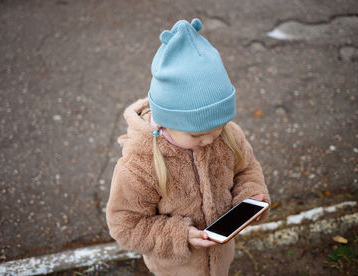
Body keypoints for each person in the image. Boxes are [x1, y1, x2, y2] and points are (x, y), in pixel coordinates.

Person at [106, 18, 270, 276]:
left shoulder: (227, 136)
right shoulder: (141, 165)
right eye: (199, 134)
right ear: (167, 122)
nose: (212, 139)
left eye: (219, 126)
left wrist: (249, 197)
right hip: (176, 269)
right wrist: (179, 236)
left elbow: (247, 169)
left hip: (220, 261)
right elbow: (125, 225)